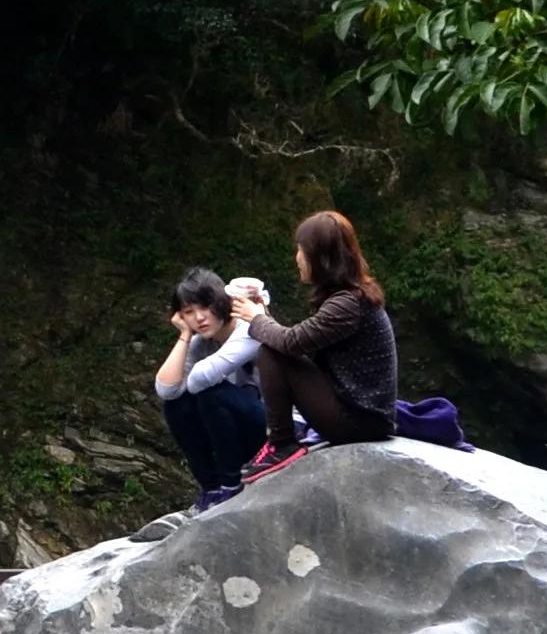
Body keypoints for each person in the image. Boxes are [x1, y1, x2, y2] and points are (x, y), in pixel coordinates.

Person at [247, 210, 401, 453]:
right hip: (363, 414)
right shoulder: (350, 296)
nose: (297, 258)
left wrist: (255, 318)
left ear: (322, 258)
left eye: (301, 250)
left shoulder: (347, 304)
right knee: (275, 349)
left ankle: (281, 444)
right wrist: (261, 313)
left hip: (360, 423)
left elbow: (290, 343)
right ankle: (281, 442)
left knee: (270, 352)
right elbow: (296, 342)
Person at [150, 267, 270, 501]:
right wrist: (184, 336)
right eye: (189, 312)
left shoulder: (249, 329)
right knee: (176, 404)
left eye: (205, 307)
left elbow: (198, 380)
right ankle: (211, 488)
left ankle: (230, 483)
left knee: (210, 393)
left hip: (275, 427)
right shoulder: (201, 344)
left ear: (222, 302)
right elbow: (167, 390)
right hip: (242, 433)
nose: (199, 318)